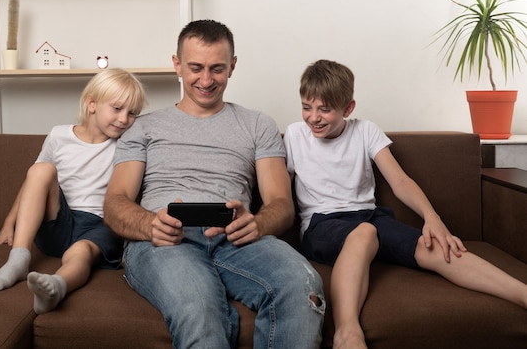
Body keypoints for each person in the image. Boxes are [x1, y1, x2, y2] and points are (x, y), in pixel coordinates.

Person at [104, 19, 324, 348]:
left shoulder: (258, 124)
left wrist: (258, 222)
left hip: (235, 238)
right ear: (177, 65)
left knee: (302, 283)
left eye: (217, 69)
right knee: (200, 307)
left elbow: (281, 203)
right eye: (195, 67)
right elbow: (115, 202)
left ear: (232, 67)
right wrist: (151, 224)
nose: (206, 80)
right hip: (164, 241)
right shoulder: (143, 128)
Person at [284, 59, 527, 349]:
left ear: (348, 108)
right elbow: (277, 188)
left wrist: (431, 218)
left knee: (436, 246)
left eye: (325, 109)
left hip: (369, 217)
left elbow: (400, 181)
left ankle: (523, 293)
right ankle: (347, 333)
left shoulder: (365, 130)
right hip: (322, 223)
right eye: (307, 107)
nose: (314, 117)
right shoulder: (295, 136)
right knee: (364, 233)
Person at [0, 68, 147, 314]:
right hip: (59, 220)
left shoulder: (127, 144)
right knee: (40, 170)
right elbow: (32, 184)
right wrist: (7, 225)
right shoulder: (59, 135)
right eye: (117, 108)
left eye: (133, 113)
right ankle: (18, 260)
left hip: (100, 225)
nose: (124, 119)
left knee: (81, 253)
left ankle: (57, 286)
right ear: (92, 104)